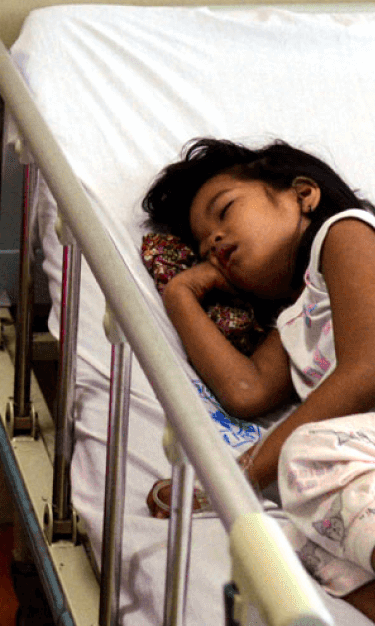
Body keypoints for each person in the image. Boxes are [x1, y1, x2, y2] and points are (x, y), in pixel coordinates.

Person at [141, 137, 375, 612]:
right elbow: (246, 392)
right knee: (287, 532)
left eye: (225, 211)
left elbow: (366, 367)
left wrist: (235, 475)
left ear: (302, 193)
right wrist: (181, 295)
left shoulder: (346, 234)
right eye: (205, 248)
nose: (215, 244)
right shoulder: (298, 315)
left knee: (306, 456)